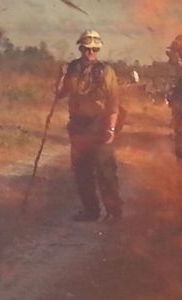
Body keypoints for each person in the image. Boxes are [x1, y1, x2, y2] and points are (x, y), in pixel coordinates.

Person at [56, 30, 122, 223]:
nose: (89, 52)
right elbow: (59, 94)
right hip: (78, 126)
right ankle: (90, 211)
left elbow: (113, 103)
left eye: (93, 49)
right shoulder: (72, 69)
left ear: (98, 49)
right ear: (81, 48)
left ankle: (114, 213)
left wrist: (110, 129)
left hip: (100, 125)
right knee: (81, 171)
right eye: (86, 48)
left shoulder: (106, 71)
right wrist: (60, 77)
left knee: (106, 172)